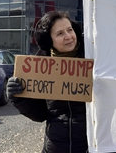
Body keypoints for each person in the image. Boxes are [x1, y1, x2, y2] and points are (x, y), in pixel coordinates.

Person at [7, 11, 88, 153]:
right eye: (60, 33)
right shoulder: (38, 68)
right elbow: (40, 115)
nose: (68, 37)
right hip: (56, 147)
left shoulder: (95, 57)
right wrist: (18, 98)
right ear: (49, 40)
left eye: (70, 30)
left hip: (95, 146)